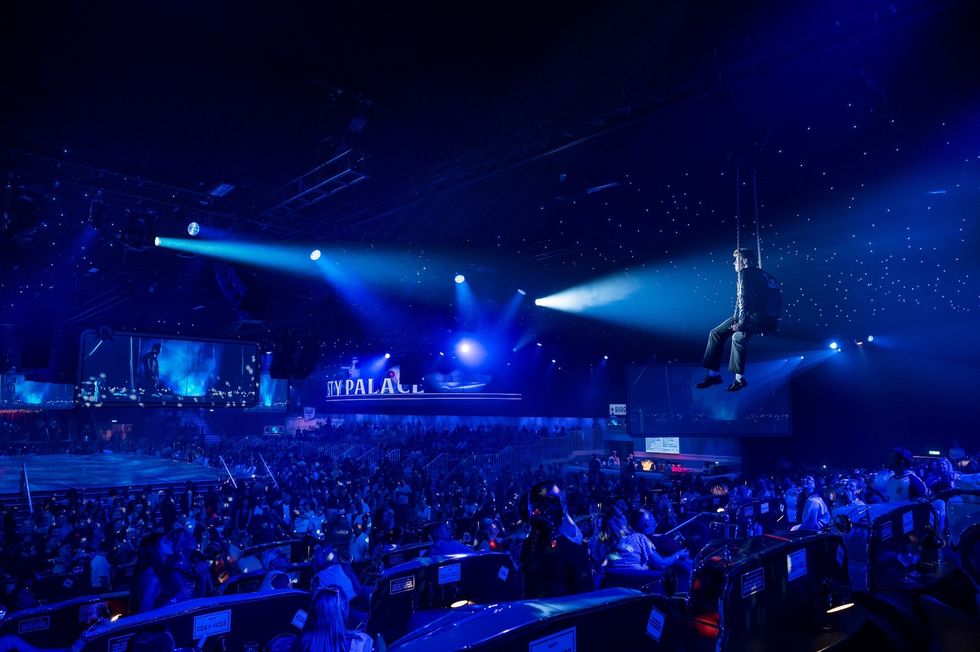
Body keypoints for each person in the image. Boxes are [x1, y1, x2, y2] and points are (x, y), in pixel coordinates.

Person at [697, 248, 780, 392]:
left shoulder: (746, 273)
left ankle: (739, 379)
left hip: (756, 315)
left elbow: (744, 299)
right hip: (766, 316)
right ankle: (714, 375)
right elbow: (778, 298)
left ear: (745, 260)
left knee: (738, 336)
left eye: (737, 260)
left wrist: (742, 324)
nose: (734, 263)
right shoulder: (767, 275)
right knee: (716, 333)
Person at [520, 481, 592, 599]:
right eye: (557, 499)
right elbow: (586, 600)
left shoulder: (526, 548)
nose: (562, 503)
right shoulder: (572, 551)